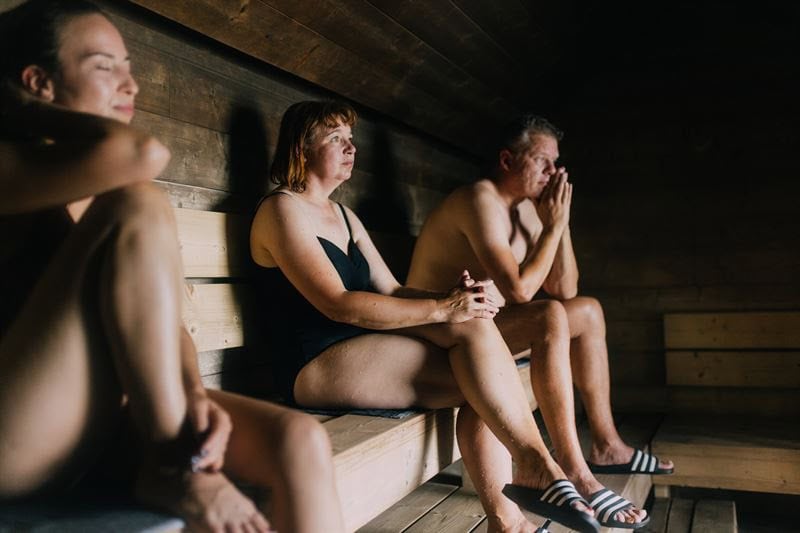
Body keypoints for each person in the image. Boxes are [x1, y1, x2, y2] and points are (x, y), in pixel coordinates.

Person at [0, 2, 344, 532]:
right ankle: (174, 467)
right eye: (104, 66)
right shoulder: (12, 166)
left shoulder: (114, 202)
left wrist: (190, 391)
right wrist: (18, 109)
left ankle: (173, 455)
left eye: (130, 65)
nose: (130, 84)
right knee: (140, 202)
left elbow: (173, 327)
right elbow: (141, 153)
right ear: (37, 83)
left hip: (103, 423)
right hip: (16, 437)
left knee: (299, 441)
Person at [250, 100, 607, 533]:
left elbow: (394, 290)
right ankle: (530, 483)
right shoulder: (281, 210)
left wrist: (459, 298)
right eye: (335, 139)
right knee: (485, 377)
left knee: (483, 366)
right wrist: (443, 308)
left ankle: (515, 511)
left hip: (365, 346)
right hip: (315, 362)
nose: (351, 148)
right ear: (301, 150)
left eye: (351, 139)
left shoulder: (344, 216)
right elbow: (337, 303)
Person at [408, 114, 675, 528]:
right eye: (543, 162)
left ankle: (606, 445)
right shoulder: (479, 200)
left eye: (556, 164)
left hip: (489, 327)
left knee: (585, 311)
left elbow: (566, 287)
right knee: (548, 314)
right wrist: (551, 229)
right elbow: (519, 292)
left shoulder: (529, 211)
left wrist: (559, 224)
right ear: (507, 160)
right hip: (441, 336)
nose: (554, 173)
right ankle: (574, 470)